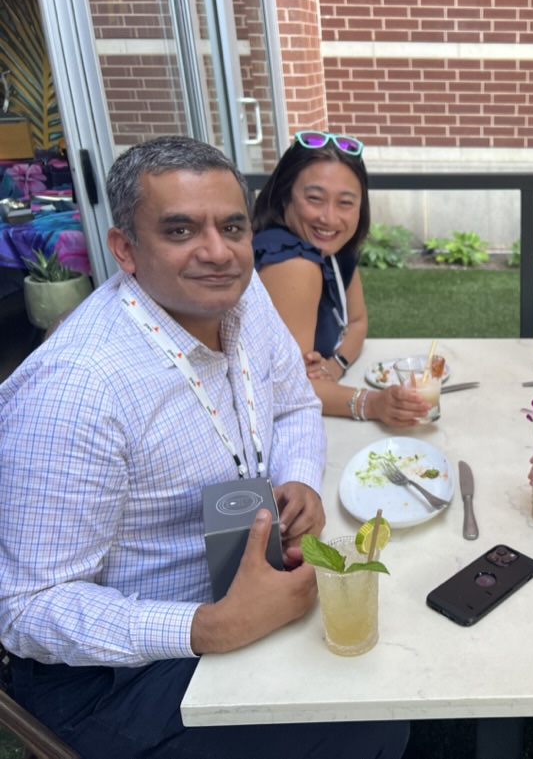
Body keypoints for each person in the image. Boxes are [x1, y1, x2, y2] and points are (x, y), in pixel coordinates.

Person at [0, 136, 408, 759]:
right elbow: (26, 608)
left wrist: (299, 478)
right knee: (366, 723)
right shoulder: (77, 390)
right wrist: (208, 626)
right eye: (181, 229)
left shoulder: (246, 299)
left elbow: (295, 402)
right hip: (111, 676)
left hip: (240, 577)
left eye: (232, 227)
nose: (217, 252)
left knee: (381, 669)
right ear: (125, 249)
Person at [252, 130, 427, 425]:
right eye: (314, 198)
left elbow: (357, 322)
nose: (329, 218)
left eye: (345, 202)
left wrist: (334, 365)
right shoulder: (292, 263)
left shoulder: (332, 251)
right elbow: (289, 389)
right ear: (285, 196)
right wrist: (373, 404)